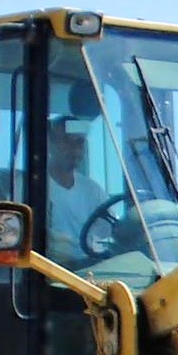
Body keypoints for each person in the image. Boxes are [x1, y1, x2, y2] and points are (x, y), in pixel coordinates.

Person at [43, 113, 115, 264]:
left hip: (87, 269)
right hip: (49, 268)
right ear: (49, 144)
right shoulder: (30, 186)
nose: (74, 150)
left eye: (79, 143)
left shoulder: (91, 189)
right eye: (66, 142)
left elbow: (109, 231)